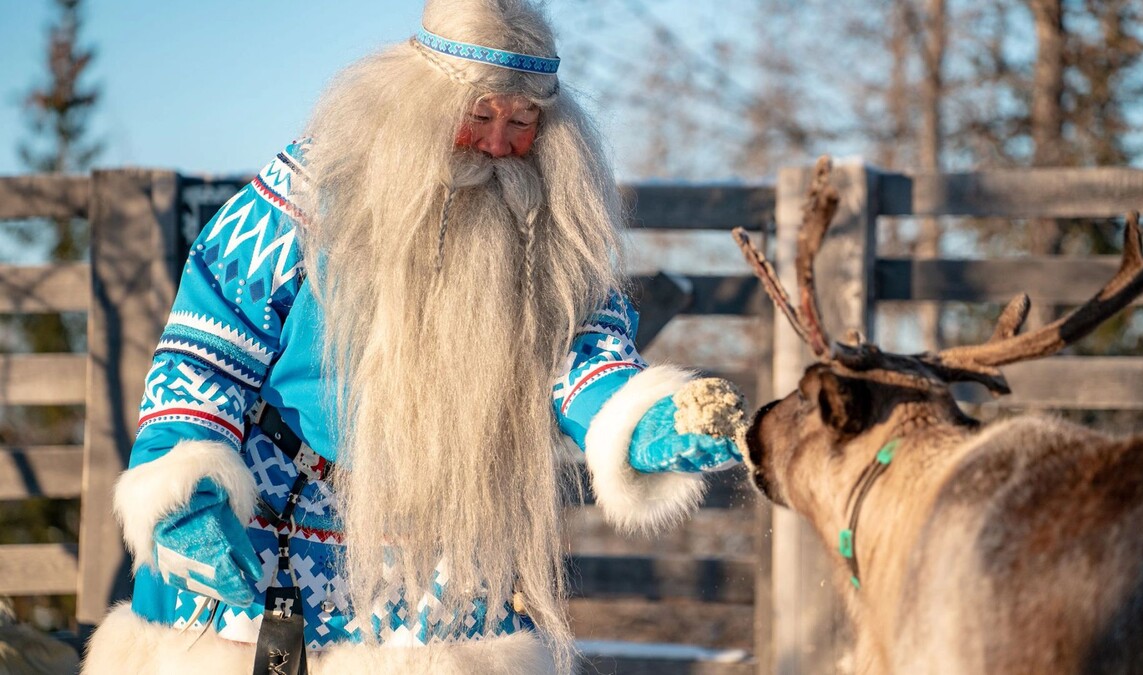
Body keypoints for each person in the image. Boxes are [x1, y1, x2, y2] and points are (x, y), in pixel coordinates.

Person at [81, 0, 746, 673]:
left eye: (521, 123)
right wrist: (182, 482)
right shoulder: (308, 193)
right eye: (479, 116)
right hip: (272, 515)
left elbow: (582, 351)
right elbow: (208, 345)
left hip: (444, 533)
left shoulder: (553, 233)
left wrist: (637, 417)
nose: (497, 144)